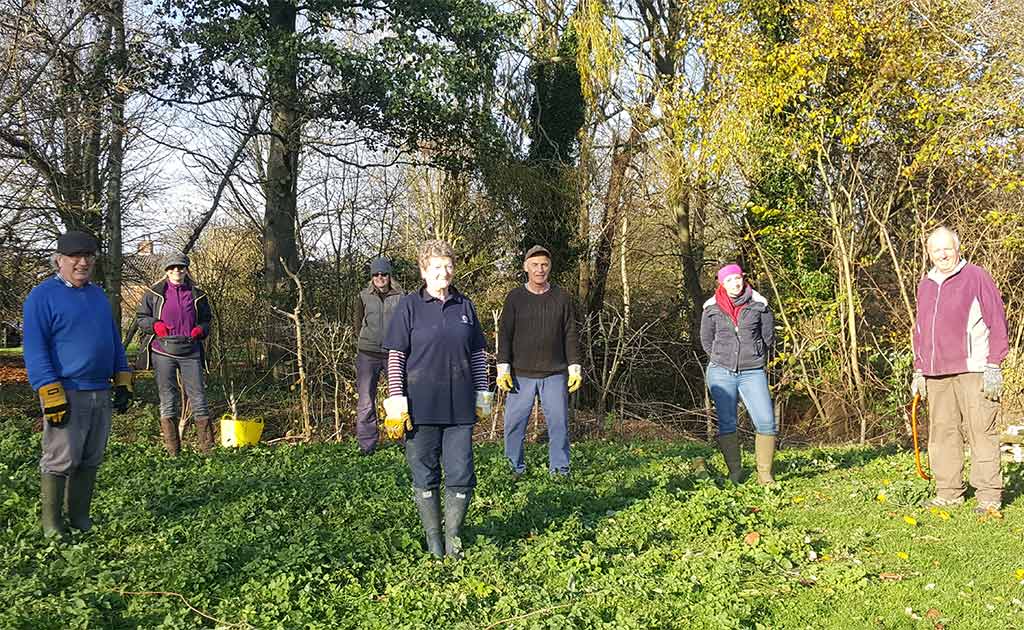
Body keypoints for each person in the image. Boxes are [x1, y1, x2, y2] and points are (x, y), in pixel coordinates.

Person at [382, 240, 492, 559]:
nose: (443, 272)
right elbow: (395, 356)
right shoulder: (409, 306)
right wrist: (396, 400)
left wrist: (483, 392)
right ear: (423, 270)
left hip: (459, 408)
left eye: (448, 266)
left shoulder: (465, 306)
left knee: (460, 472)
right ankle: (434, 540)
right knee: (425, 473)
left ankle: (453, 538)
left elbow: (477, 353)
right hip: (420, 407)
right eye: (436, 267)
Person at [23, 230, 133, 536]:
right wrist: (48, 388)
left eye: (89, 256)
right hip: (67, 390)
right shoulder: (41, 297)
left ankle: (80, 519)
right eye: (75, 257)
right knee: (61, 457)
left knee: (91, 456)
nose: (83, 262)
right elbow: (34, 347)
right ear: (59, 260)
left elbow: (112, 339)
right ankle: (52, 526)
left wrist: (122, 378)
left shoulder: (98, 296)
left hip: (99, 388)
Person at [912, 226, 1007, 514]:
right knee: (942, 433)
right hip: (935, 372)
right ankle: (949, 492)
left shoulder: (976, 276)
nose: (942, 254)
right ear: (928, 253)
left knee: (981, 431)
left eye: (947, 248)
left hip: (974, 369)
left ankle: (989, 495)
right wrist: (919, 370)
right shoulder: (925, 284)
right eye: (936, 249)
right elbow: (919, 330)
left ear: (958, 248)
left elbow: (997, 321)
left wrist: (994, 364)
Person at [496, 245, 580, 478]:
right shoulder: (514, 297)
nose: (539, 269)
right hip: (519, 375)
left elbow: (570, 333)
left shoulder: (561, 297)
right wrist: (503, 367)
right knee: (514, 426)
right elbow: (505, 334)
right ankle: (513, 469)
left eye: (544, 265)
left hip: (554, 373)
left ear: (550, 267)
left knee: (559, 425)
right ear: (526, 267)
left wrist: (575, 367)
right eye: (535, 265)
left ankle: (560, 470)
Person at [700, 263, 777, 484]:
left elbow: (768, 336)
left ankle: (765, 474)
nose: (735, 284)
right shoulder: (711, 308)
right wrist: (720, 357)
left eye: (737, 279)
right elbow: (706, 340)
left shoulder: (760, 305)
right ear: (722, 284)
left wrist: (755, 354)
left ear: (743, 279)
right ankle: (735, 472)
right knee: (727, 422)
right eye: (729, 281)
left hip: (752, 371)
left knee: (765, 421)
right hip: (720, 372)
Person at [135, 251, 213, 455]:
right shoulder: (153, 294)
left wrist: (201, 330)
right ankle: (173, 452)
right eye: (172, 268)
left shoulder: (198, 294)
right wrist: (155, 325)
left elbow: (207, 320)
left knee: (199, 398)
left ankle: (208, 451)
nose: (176, 270)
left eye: (180, 267)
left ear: (186, 269)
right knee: (168, 398)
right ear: (166, 271)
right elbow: (141, 318)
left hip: (191, 350)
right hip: (163, 351)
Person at [352, 257, 404, 455]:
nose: (380, 278)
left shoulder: (401, 296)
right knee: (366, 400)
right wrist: (364, 340)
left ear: (389, 276)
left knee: (399, 398)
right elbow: (357, 323)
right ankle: (367, 445)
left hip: (394, 353)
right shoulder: (363, 296)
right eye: (376, 274)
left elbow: (406, 323)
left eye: (383, 274)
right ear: (371, 277)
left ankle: (402, 439)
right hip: (367, 354)